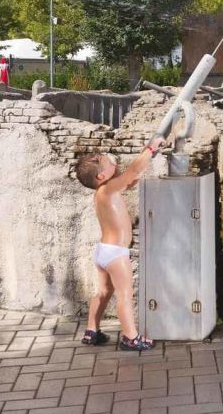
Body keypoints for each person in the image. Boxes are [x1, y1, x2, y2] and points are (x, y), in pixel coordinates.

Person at [75, 135, 167, 351]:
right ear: (101, 176)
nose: (113, 162)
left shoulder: (103, 192)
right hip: (116, 254)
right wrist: (150, 149)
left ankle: (91, 331)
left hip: (103, 252)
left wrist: (142, 161)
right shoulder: (108, 189)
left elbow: (130, 179)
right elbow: (132, 172)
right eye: (109, 163)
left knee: (103, 292)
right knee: (124, 295)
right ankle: (130, 337)